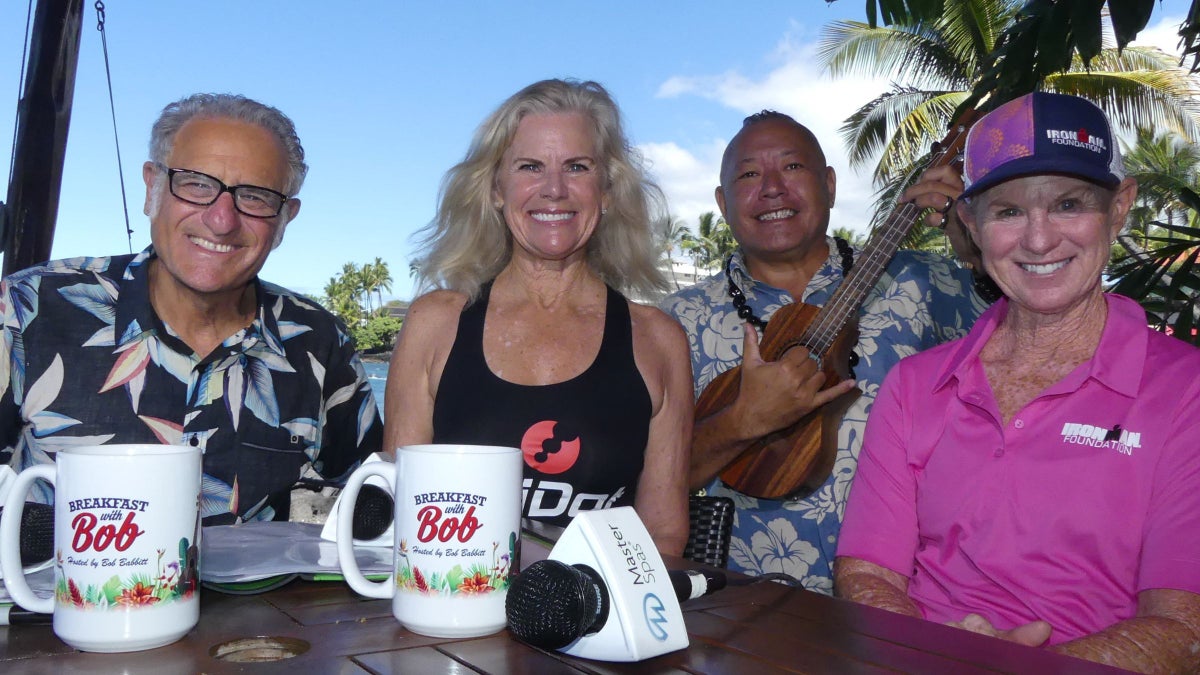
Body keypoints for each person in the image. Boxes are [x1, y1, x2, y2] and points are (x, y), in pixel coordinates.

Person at [835, 92, 1200, 671]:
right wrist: (933, 656)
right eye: (1007, 211)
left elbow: (1183, 628)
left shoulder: (1186, 391)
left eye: (1069, 203)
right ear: (971, 224)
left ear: (1120, 206)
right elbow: (865, 573)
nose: (1038, 239)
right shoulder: (914, 385)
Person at [0, 93, 383, 525]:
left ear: (284, 219)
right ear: (152, 188)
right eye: (197, 184)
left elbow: (365, 512)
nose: (222, 219)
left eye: (255, 197)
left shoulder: (319, 341)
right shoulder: (25, 310)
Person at [659, 110, 988, 591]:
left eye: (792, 167)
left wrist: (975, 245)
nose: (772, 187)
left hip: (906, 601)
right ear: (722, 202)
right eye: (749, 174)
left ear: (830, 185)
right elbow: (639, 488)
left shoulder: (925, 284)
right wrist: (741, 422)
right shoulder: (673, 322)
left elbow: (1034, 343)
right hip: (734, 607)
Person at [384, 79, 691, 555]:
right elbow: (399, 511)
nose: (554, 189)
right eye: (530, 166)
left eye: (577, 167)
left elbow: (664, 537)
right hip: (453, 615)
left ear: (607, 190)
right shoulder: (435, 324)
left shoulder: (657, 339)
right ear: (495, 189)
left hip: (596, 618)